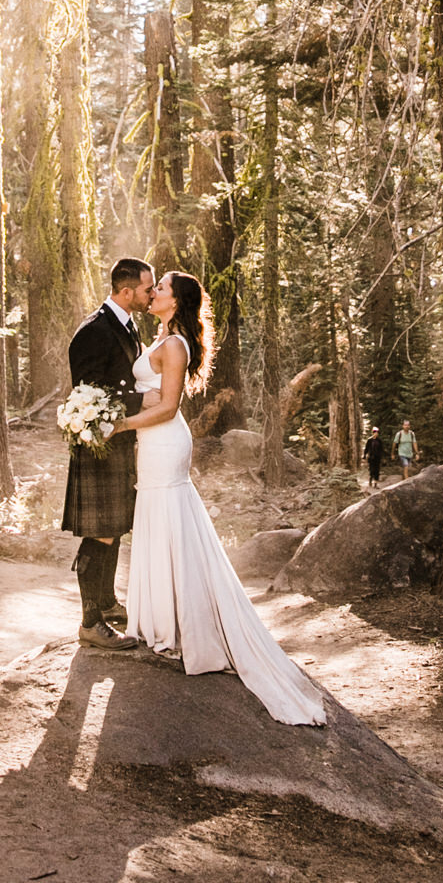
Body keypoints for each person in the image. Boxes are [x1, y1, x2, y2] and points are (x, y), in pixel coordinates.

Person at [119, 269, 325, 728]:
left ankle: (181, 626)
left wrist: (118, 425)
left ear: (177, 301)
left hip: (164, 438)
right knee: (158, 519)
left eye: (162, 289)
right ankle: (159, 621)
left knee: (169, 519)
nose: (153, 293)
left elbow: (169, 407)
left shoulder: (173, 345)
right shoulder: (164, 336)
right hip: (152, 441)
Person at [61, 258, 154, 646]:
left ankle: (106, 601)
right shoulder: (95, 330)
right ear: (127, 290)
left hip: (118, 443)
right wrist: (146, 399)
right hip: (98, 445)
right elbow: (91, 394)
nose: (151, 295)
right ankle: (88, 622)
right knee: (99, 532)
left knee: (113, 529)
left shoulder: (127, 325)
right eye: (148, 289)